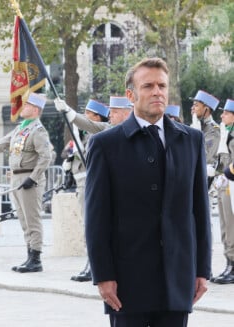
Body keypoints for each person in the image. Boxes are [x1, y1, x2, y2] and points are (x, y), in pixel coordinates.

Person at [85, 57, 211, 326]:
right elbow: (96, 217)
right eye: (148, 86)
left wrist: (202, 269)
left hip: (177, 279)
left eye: (162, 86)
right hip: (127, 282)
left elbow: (199, 211)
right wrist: (103, 275)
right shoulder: (106, 145)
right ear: (131, 95)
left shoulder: (192, 141)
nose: (157, 92)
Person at [0, 92, 53, 273]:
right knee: (23, 219)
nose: (22, 107)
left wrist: (33, 178)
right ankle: (29, 255)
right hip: (16, 177)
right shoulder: (21, 128)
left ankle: (36, 258)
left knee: (32, 219)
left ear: (36, 109)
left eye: (27, 105)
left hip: (29, 177)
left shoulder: (38, 131)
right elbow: (2, 143)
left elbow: (46, 157)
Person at [55, 98, 110, 282]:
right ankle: (90, 263)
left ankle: (93, 265)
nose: (85, 116)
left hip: (92, 183)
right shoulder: (84, 135)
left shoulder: (100, 132)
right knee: (87, 225)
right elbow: (66, 152)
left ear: (97, 117)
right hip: (81, 184)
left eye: (89, 113)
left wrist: (70, 112)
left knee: (91, 225)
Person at [213, 98, 234, 284]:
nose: (222, 116)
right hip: (224, 183)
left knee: (231, 225)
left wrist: (226, 174)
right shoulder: (226, 133)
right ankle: (228, 263)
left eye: (226, 113)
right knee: (224, 225)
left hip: (232, 184)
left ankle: (233, 266)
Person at [190, 90, 220, 182]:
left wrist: (197, 135)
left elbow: (207, 158)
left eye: (196, 105)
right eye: (193, 105)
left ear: (206, 109)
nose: (192, 108)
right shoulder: (194, 126)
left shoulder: (214, 130)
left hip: (207, 179)